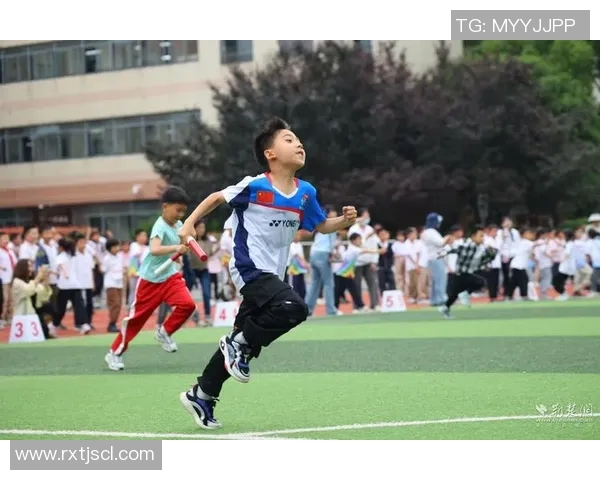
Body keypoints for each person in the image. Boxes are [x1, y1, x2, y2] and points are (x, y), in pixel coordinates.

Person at [177, 117, 357, 429]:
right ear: (270, 154)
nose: (298, 144)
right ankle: (240, 345)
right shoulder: (254, 185)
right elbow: (217, 197)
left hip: (273, 275)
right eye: (289, 139)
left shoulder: (305, 192)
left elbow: (320, 225)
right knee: (294, 308)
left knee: (241, 339)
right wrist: (189, 223)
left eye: (298, 139)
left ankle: (201, 394)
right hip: (249, 267)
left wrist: (343, 222)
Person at [104, 186, 196, 371]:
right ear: (165, 207)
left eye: (183, 211)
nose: (180, 215)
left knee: (188, 305)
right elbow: (154, 249)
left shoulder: (178, 225)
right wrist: (176, 248)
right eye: (177, 210)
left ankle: (165, 331)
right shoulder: (159, 226)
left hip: (169, 275)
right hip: (150, 280)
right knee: (136, 319)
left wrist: (187, 240)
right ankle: (114, 352)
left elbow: (185, 237)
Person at [437, 225, 498, 319]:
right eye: (480, 236)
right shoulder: (468, 245)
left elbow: (482, 260)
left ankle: (445, 308)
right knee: (481, 282)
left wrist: (491, 255)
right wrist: (442, 253)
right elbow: (455, 249)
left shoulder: (479, 247)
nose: (483, 238)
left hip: (463, 274)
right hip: (461, 273)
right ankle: (464, 294)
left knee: (454, 295)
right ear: (473, 236)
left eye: (483, 236)